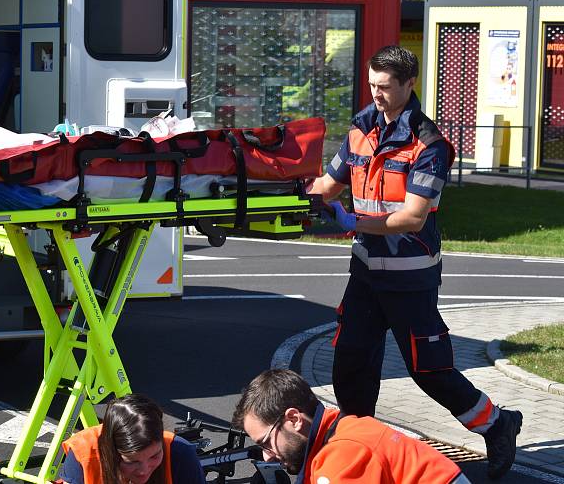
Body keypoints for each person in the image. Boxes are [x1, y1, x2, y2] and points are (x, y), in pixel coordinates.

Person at [306, 45, 522, 480]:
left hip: (411, 278)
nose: (376, 94)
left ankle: (499, 425)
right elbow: (329, 184)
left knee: (429, 370)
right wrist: (296, 196)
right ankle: (358, 447)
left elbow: (412, 215)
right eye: (372, 85)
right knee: (350, 365)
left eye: (385, 87)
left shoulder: (430, 144)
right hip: (365, 275)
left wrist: (352, 221)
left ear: (410, 84)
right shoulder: (360, 129)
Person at [234, 369, 471, 483]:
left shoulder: (346, 452)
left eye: (266, 443)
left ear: (294, 419)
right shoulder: (335, 433)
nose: (267, 457)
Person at [58, 393, 206, 484]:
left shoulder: (180, 454)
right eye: (132, 461)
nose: (143, 470)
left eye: (154, 456)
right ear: (111, 451)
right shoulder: (83, 456)